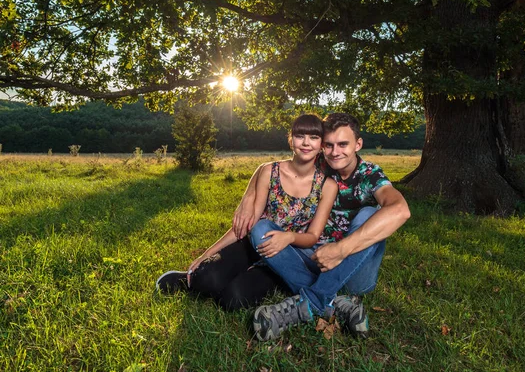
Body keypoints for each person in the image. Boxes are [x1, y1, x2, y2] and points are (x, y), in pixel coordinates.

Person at [235, 113, 411, 341]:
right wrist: (249, 196)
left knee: (370, 214)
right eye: (328, 145)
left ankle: (309, 303)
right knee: (261, 231)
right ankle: (336, 302)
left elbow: (400, 210)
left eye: (343, 144)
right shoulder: (321, 162)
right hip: (314, 257)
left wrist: (340, 250)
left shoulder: (370, 175)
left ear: (358, 144)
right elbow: (269, 169)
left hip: (354, 269)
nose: (335, 152)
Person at [155, 114, 338, 310]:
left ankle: (265, 279)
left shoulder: (327, 185)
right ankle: (191, 277)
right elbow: (249, 223)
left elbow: (312, 237)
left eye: (314, 137)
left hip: (284, 256)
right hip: (253, 244)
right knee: (207, 280)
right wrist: (206, 255)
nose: (306, 143)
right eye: (300, 136)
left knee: (233, 299)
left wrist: (289, 238)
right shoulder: (270, 172)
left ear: (321, 145)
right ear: (291, 140)